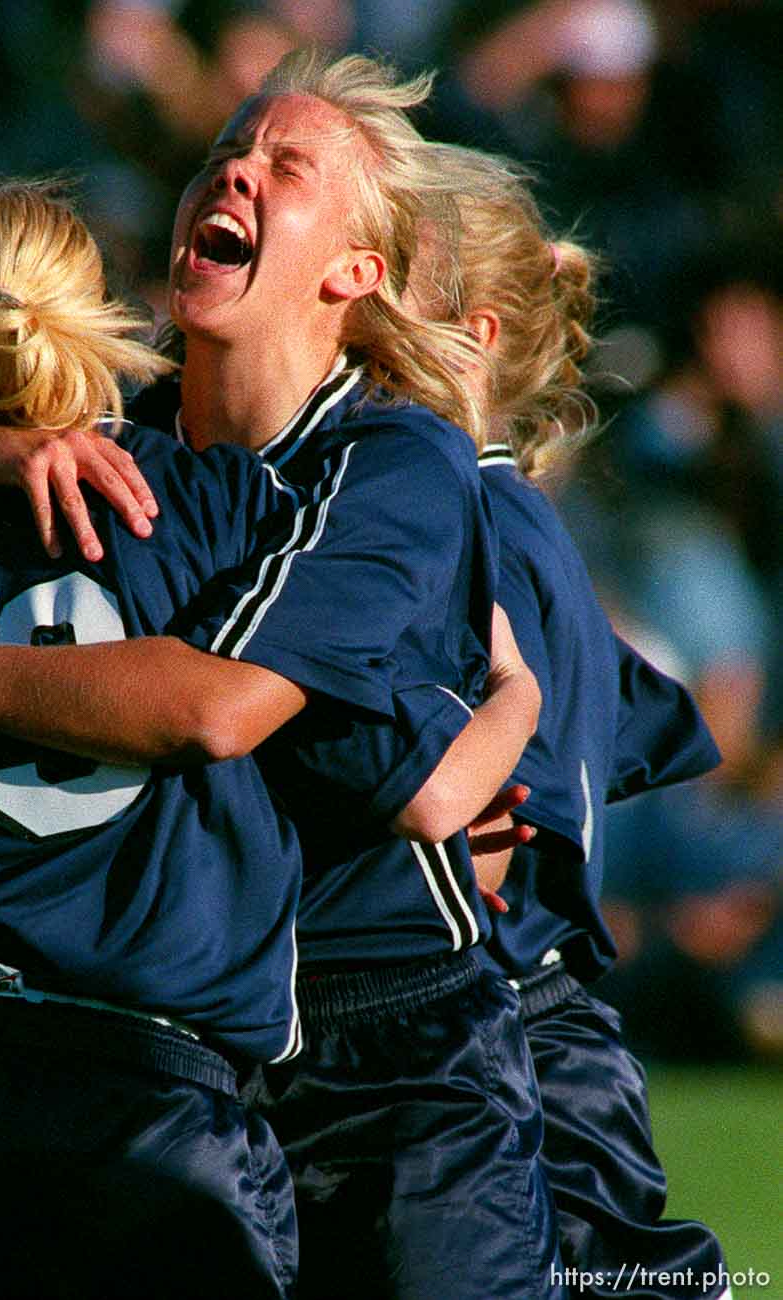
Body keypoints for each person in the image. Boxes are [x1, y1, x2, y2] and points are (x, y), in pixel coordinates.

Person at [0, 51, 559, 1300]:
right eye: (224, 149)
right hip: (170, 1063)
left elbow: (227, 711)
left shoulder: (387, 466)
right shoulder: (156, 463)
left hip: (383, 1049)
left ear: (357, 271)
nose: (233, 166)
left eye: (286, 165)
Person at [402, 144, 733, 1298]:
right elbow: (649, 724)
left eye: (396, 291)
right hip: (557, 1043)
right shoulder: (525, 526)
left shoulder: (468, 524)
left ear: (478, 336)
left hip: (514, 1043)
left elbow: (491, 824)